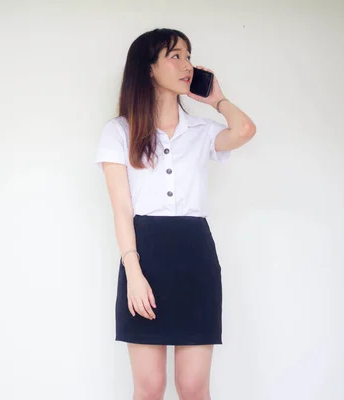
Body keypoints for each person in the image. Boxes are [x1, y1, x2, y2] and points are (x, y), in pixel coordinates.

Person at [94, 28, 256, 400]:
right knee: (149, 388)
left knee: (194, 387)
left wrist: (217, 99)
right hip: (144, 257)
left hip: (195, 256)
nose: (187, 65)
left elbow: (245, 129)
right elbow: (121, 210)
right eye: (175, 56)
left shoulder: (201, 131)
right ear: (148, 68)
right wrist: (133, 273)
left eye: (188, 55)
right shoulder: (119, 132)